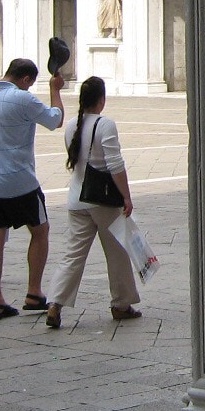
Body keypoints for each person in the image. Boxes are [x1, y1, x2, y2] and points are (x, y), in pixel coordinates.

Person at [0, 57, 64, 321]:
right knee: (40, 230)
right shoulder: (22, 98)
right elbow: (54, 119)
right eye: (30, 84)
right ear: (25, 79)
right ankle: (34, 293)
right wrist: (55, 90)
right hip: (20, 180)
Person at [44, 76, 141, 328]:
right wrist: (126, 196)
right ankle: (121, 304)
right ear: (101, 99)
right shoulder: (105, 124)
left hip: (76, 199)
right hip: (103, 201)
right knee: (117, 253)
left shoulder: (72, 126)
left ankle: (55, 302)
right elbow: (115, 165)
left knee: (73, 254)